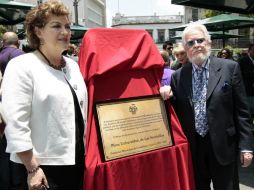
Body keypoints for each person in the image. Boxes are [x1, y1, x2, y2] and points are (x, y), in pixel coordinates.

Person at [1, 1, 87, 190]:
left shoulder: (73, 65)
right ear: (38, 31)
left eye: (67, 26)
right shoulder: (22, 66)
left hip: (77, 162)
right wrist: (32, 168)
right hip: (41, 168)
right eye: (56, 26)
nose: (65, 31)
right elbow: (15, 122)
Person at [160, 23, 253, 190]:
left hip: (223, 145)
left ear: (208, 43)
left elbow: (242, 112)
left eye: (200, 40)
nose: (196, 45)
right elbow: (177, 112)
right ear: (186, 49)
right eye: (190, 43)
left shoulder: (229, 68)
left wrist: (246, 146)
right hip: (194, 148)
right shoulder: (178, 76)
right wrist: (167, 96)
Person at [0, 31, 24, 190]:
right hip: (18, 108)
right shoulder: (21, 55)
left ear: (3, 42)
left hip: (2, 110)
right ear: (18, 43)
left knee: (4, 149)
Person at [238, 44, 254, 117]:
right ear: (249, 51)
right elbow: (239, 75)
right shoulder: (242, 61)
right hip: (247, 89)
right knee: (249, 109)